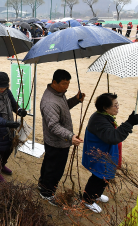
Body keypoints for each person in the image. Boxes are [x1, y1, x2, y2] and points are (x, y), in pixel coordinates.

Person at [81, 93, 138, 213]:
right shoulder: (98, 120)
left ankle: (96, 194)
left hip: (105, 153)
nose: (118, 107)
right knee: (98, 177)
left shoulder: (104, 116)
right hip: (98, 155)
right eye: (115, 105)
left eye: (118, 104)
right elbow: (114, 137)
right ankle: (88, 200)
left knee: (104, 177)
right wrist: (129, 123)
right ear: (105, 108)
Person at [38, 69, 85, 206]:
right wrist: (70, 136)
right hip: (56, 142)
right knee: (55, 170)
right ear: (54, 82)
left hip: (59, 141)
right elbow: (53, 126)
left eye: (68, 83)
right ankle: (47, 193)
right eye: (64, 83)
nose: (67, 86)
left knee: (49, 165)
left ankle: (42, 185)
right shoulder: (49, 102)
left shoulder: (59, 94)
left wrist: (76, 100)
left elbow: (63, 108)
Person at [0, 72, 27, 182]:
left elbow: (14, 105)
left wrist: (20, 110)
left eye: (5, 86)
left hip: (9, 128)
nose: (3, 89)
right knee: (0, 152)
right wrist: (6, 123)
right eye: (0, 87)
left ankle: (2, 165)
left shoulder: (8, 92)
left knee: (9, 148)